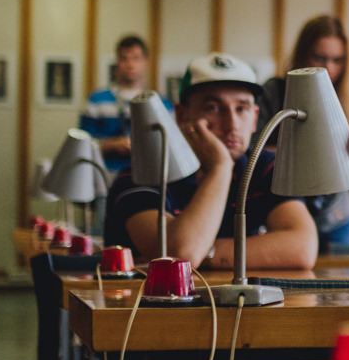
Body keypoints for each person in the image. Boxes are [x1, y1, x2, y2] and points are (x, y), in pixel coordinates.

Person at [104, 54, 317, 271]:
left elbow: (303, 247)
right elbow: (180, 257)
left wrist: (205, 250)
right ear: (182, 115)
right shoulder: (140, 175)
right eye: (213, 108)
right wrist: (220, 167)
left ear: (255, 118)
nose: (232, 124)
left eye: (241, 108)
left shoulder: (263, 166)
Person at [261, 16, 349, 248]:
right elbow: (254, 152)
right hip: (285, 211)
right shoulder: (275, 92)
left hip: (337, 217)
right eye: (320, 57)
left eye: (338, 60)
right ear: (302, 54)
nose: (330, 68)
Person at [80, 35, 149, 173]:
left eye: (135, 58)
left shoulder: (159, 104)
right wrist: (111, 145)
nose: (130, 64)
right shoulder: (96, 101)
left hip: (145, 179)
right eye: (124, 58)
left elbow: (170, 147)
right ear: (117, 62)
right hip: (104, 178)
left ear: (145, 62)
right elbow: (82, 146)